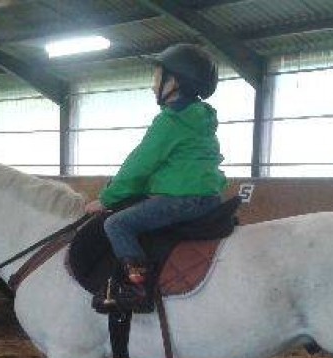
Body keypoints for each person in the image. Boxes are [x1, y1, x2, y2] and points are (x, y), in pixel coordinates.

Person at [84, 43, 227, 312]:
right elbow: (169, 167)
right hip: (206, 196)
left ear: (174, 82)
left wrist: (106, 199)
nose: (153, 86)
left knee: (116, 224)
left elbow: (140, 164)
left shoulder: (172, 120)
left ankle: (138, 289)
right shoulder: (198, 118)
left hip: (183, 199)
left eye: (157, 78)